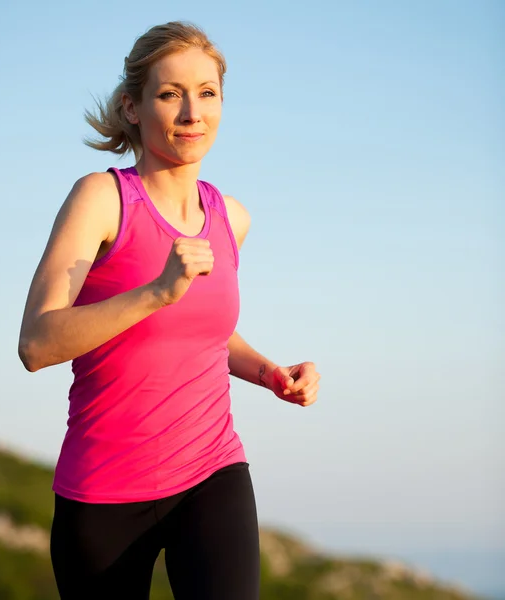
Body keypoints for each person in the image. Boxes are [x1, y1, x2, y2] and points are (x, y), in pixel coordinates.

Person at [18, 21, 321, 600]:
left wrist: (268, 373)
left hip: (211, 471)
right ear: (132, 107)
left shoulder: (231, 217)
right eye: (169, 94)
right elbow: (36, 344)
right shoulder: (101, 199)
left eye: (207, 93)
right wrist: (156, 290)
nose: (191, 113)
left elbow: (202, 333)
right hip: (103, 491)